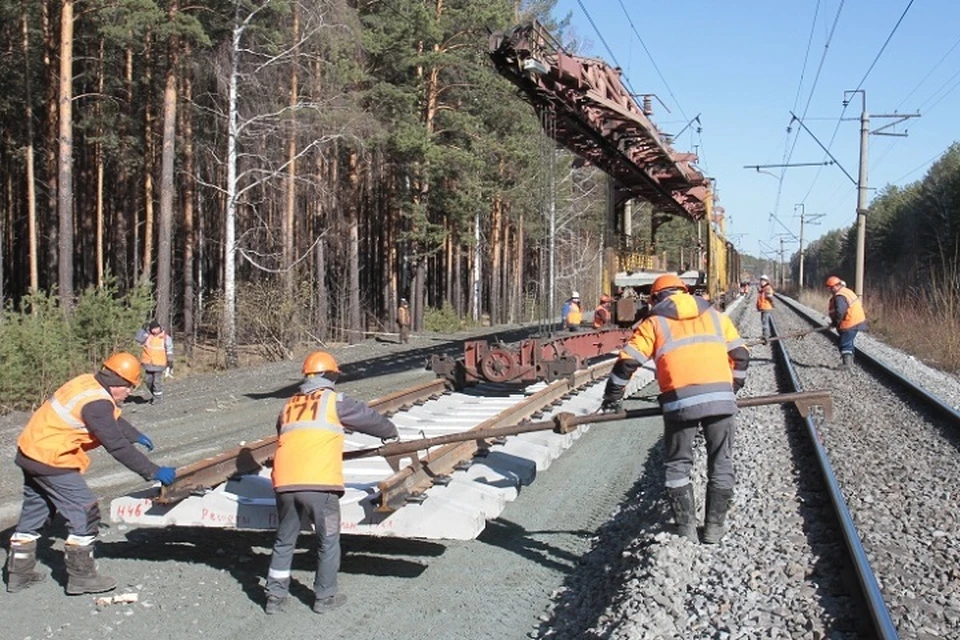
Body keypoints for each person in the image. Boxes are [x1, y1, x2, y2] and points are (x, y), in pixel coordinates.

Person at [6, 353, 176, 595]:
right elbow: (115, 445)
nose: (129, 393)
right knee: (85, 512)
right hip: (52, 460)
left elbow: (110, 421)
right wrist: (154, 471)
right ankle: (81, 577)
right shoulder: (97, 403)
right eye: (129, 388)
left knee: (37, 510)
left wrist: (134, 434)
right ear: (119, 383)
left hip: (31, 453)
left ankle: (19, 574)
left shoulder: (89, 383)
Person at [600, 274, 749, 544]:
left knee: (678, 464)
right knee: (722, 462)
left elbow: (627, 363)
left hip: (681, 403)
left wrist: (612, 396)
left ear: (655, 298)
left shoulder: (654, 322)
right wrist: (733, 386)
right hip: (722, 400)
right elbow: (741, 355)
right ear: (685, 291)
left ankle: (686, 530)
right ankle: (714, 529)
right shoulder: (715, 316)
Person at [265, 351, 399, 615]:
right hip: (319, 483)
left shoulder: (289, 405)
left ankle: (274, 597)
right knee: (327, 540)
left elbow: (285, 434)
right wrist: (391, 431)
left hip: (284, 483)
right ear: (329, 376)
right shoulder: (334, 401)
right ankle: (324, 598)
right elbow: (371, 420)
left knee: (284, 540)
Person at [825, 276, 867, 369]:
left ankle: (847, 364)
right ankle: (850, 363)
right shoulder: (846, 292)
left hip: (850, 322)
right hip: (857, 321)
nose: (830, 290)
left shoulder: (840, 296)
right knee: (848, 342)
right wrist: (834, 322)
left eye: (831, 288)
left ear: (836, 286)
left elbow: (840, 311)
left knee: (844, 343)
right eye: (829, 288)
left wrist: (836, 322)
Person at [135, 320, 174, 403]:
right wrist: (142, 329)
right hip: (148, 364)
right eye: (153, 329)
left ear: (160, 328)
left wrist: (170, 362)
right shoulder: (148, 336)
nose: (154, 330)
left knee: (157, 381)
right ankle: (155, 394)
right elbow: (138, 340)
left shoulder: (166, 338)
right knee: (147, 380)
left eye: (156, 328)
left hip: (159, 364)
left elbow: (169, 350)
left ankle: (157, 398)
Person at [756, 275, 774, 339]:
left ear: (766, 281)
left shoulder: (767, 288)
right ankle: (765, 335)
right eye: (761, 281)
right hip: (764, 308)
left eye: (763, 281)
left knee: (765, 322)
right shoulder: (764, 289)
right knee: (764, 321)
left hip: (766, 308)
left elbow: (770, 296)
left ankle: (766, 337)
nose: (761, 282)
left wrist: (772, 303)